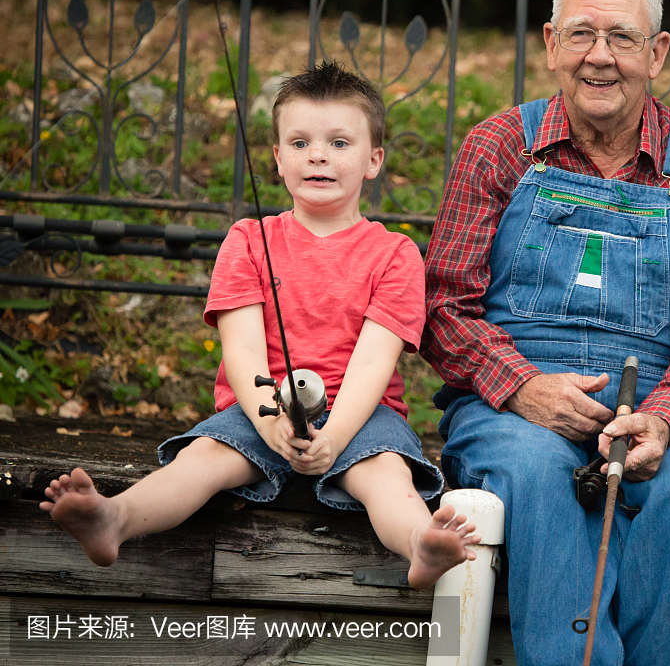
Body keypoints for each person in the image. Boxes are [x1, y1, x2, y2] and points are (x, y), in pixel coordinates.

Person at [421, 0, 670, 666]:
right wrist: (524, 388)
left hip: (659, 402)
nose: (600, 56)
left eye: (622, 38)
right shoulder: (499, 146)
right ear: (549, 44)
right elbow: (444, 307)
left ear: (657, 53)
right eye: (581, 35)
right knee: (538, 476)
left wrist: (661, 417)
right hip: (512, 400)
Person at [42, 62, 478, 590]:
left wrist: (334, 436)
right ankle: (114, 518)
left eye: (340, 143)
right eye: (299, 142)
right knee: (201, 460)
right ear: (276, 158)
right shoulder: (248, 240)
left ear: (374, 160)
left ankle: (419, 545)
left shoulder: (395, 254)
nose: (317, 154)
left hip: (363, 415)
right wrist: (271, 423)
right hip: (258, 409)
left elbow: (372, 362)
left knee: (387, 476)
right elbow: (243, 351)